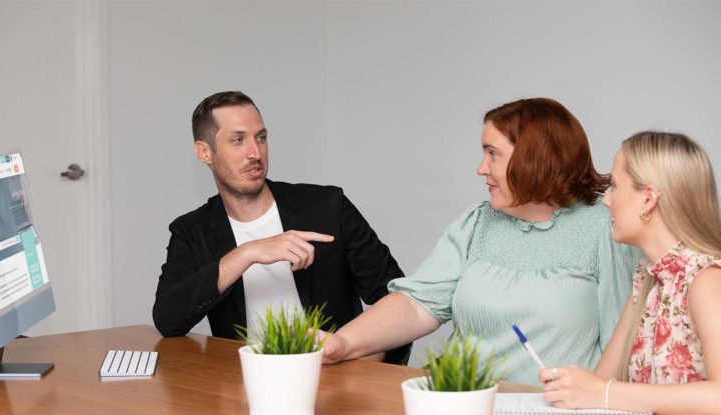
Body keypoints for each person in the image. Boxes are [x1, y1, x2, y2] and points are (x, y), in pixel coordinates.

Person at [323, 98, 641, 383]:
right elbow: (417, 306)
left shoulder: (605, 225)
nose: (480, 168)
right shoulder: (478, 222)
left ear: (534, 159)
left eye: (493, 155)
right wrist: (342, 343)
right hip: (464, 405)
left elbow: (622, 339)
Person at [152, 91, 411, 364]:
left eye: (260, 138)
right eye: (238, 140)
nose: (255, 153)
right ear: (205, 152)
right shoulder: (192, 231)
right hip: (247, 387)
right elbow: (169, 320)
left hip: (338, 381)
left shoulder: (327, 207)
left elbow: (399, 302)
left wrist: (355, 369)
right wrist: (246, 254)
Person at [538, 131, 721, 415]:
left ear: (648, 198)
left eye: (614, 186)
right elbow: (601, 383)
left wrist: (605, 393)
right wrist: (575, 389)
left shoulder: (707, 279)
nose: (606, 201)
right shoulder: (647, 279)